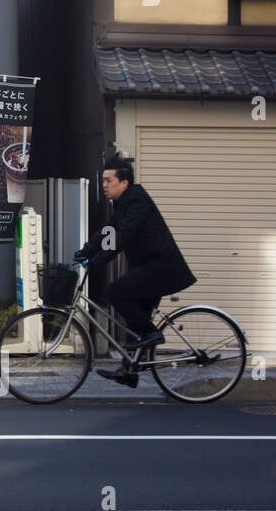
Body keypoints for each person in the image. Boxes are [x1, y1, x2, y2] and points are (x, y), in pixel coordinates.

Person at [75, 156, 196, 388]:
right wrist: (86, 251)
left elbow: (123, 236)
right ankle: (130, 371)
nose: (104, 185)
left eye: (109, 180)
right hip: (148, 267)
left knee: (115, 292)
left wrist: (98, 261)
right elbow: (109, 230)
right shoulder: (122, 203)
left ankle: (153, 334)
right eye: (103, 181)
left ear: (125, 182)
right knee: (136, 322)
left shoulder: (137, 201)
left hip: (161, 267)